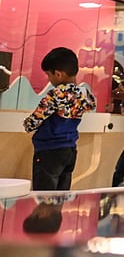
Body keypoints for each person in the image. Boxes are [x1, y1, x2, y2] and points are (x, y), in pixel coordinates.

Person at [23, 47, 97, 191]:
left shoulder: (56, 94)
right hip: (69, 150)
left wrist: (27, 124)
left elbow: (34, 121)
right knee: (60, 196)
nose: (49, 79)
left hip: (49, 150)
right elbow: (91, 105)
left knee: (44, 198)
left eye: (48, 75)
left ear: (58, 74)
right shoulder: (84, 93)